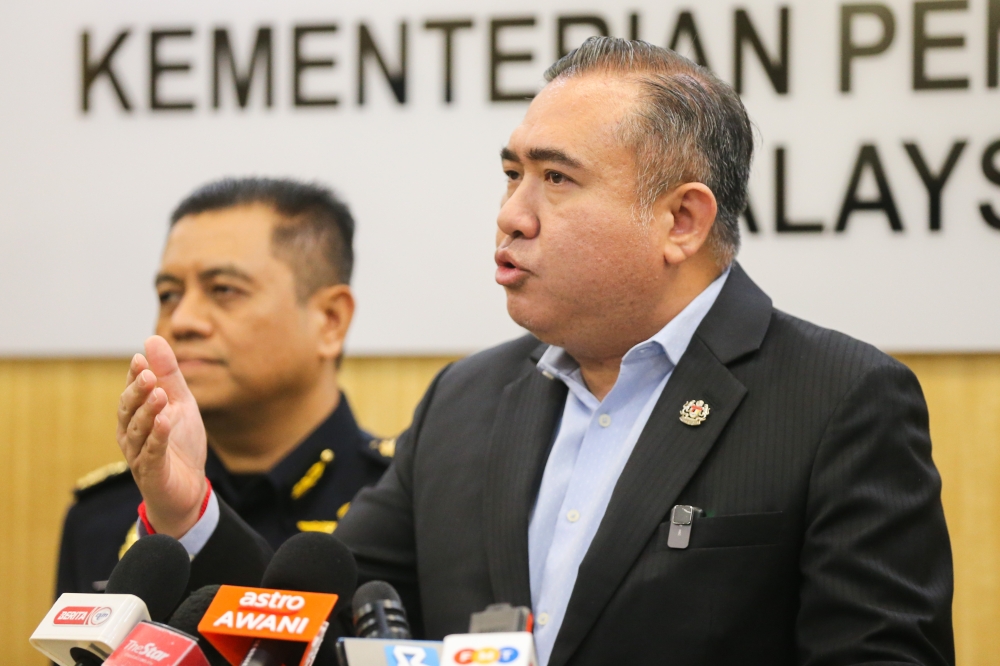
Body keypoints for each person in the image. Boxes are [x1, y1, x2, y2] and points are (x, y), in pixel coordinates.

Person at [115, 39, 954, 665]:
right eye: (512, 173)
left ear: (681, 221)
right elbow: (305, 620)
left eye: (556, 179)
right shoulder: (465, 403)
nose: (512, 213)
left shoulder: (837, 400)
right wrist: (192, 510)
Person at [57, 178, 394, 596]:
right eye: (168, 294)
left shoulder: (400, 506)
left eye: (223, 290)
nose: (182, 320)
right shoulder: (104, 517)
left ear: (330, 320)